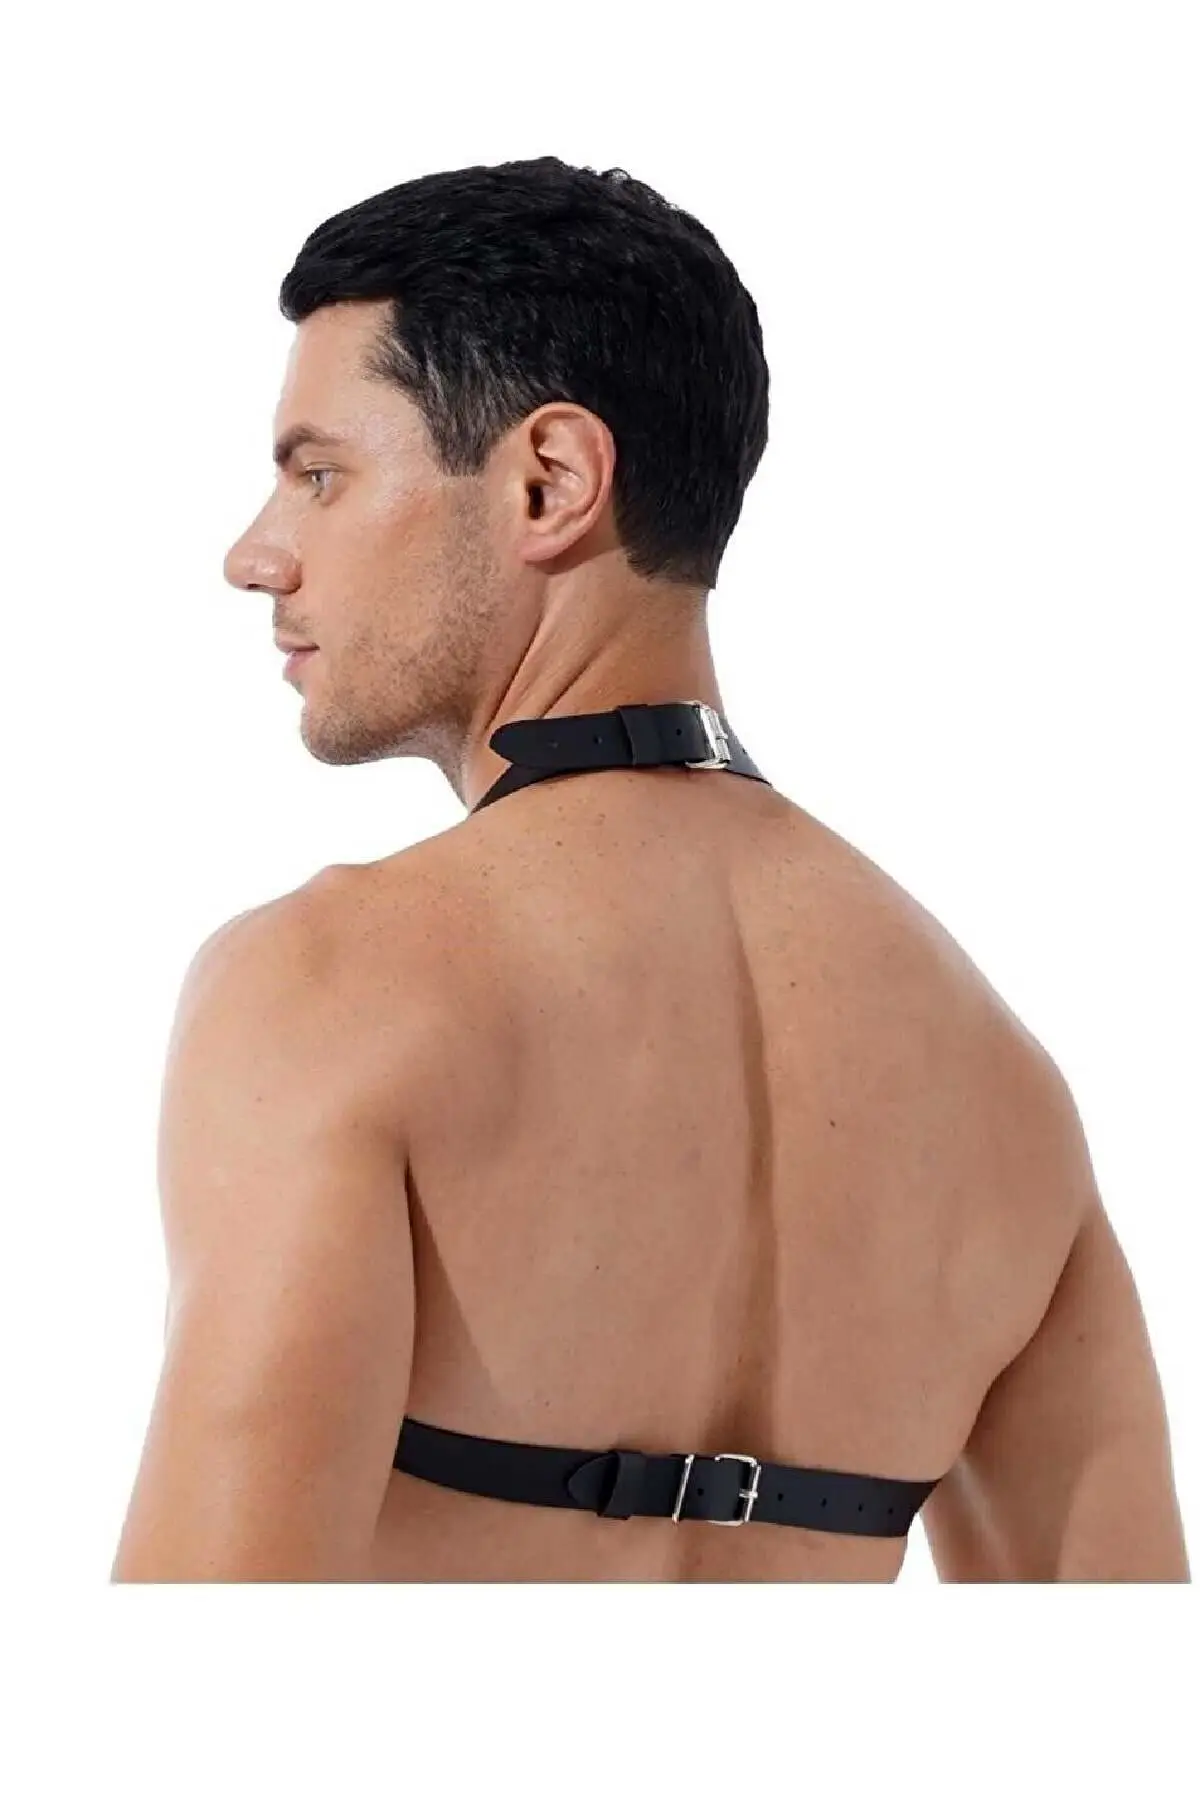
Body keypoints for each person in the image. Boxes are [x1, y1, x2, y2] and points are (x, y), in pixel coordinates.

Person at [110, 156, 1189, 1583]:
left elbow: (189, 1682)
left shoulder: (328, 988)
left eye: (319, 474)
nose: (256, 555)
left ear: (549, 481)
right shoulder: (1001, 1089)